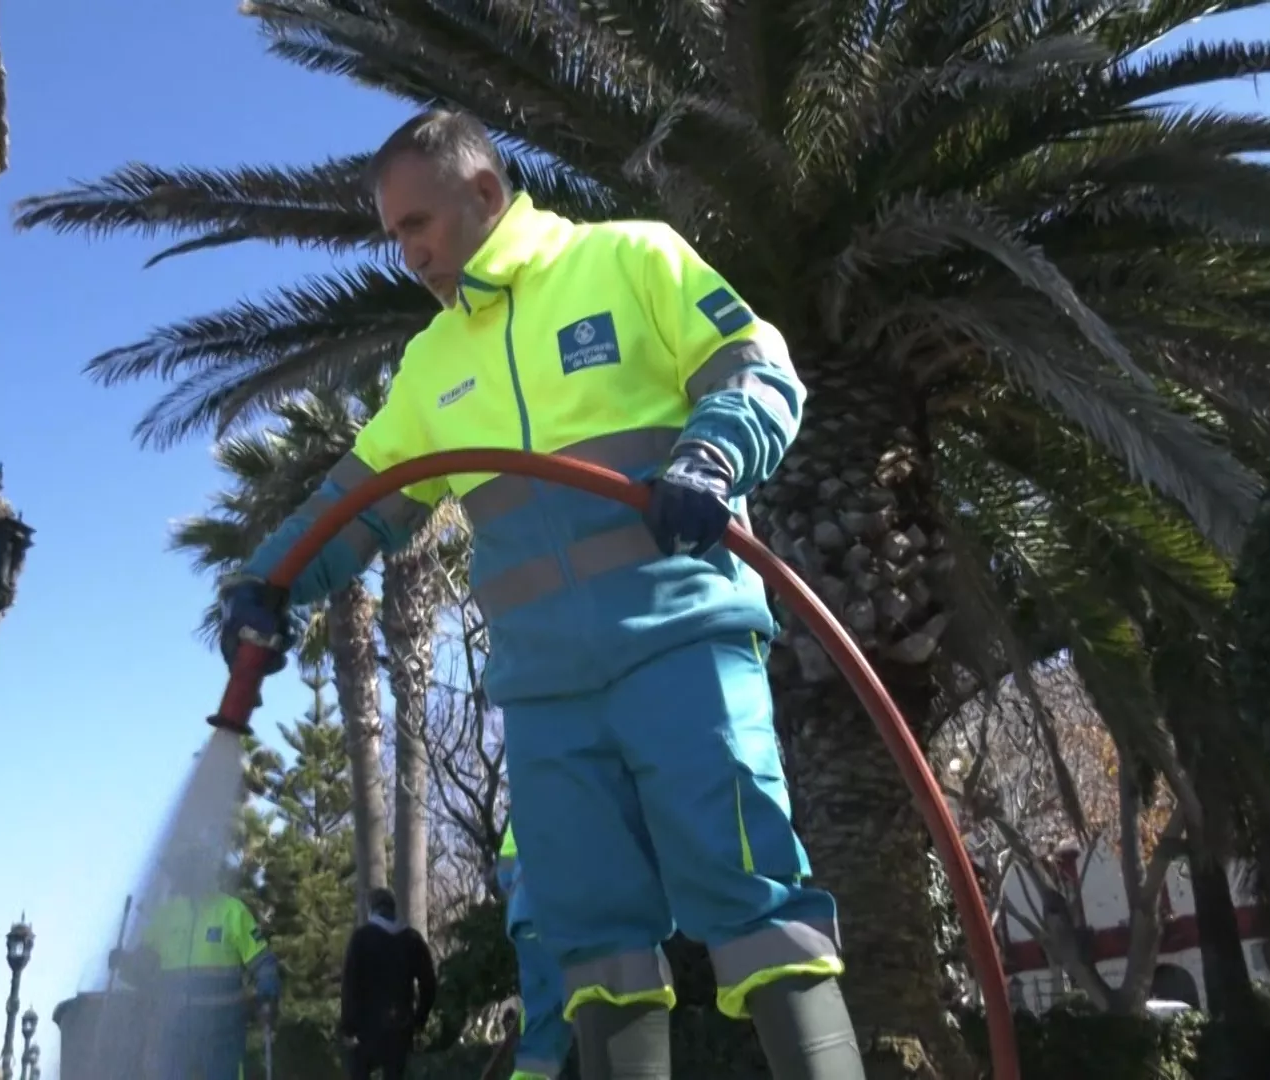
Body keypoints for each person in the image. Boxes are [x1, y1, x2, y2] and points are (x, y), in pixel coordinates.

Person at [218, 108, 864, 1080]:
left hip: (680, 643)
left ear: (483, 193)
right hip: (546, 692)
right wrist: (267, 577)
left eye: (417, 226)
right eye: (394, 235)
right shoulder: (434, 363)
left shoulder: (631, 261)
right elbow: (357, 500)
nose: (408, 255)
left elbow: (756, 367)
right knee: (595, 941)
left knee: (752, 897)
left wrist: (713, 451)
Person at [112, 848, 282, 1080]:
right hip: (175, 1032)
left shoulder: (231, 912)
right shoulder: (167, 916)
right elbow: (143, 970)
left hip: (222, 1031)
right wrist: (124, 962)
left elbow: (263, 963)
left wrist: (268, 994)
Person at [496, 824, 572, 1080]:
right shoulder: (579, 784)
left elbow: (504, 874)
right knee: (601, 1010)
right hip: (563, 916)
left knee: (542, 1031)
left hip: (525, 918)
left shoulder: (524, 795)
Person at [340, 888, 438, 1080]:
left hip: (366, 1029)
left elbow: (350, 985)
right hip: (401, 1026)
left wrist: (348, 1027)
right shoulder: (411, 939)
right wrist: (419, 1019)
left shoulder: (361, 938)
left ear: (371, 909)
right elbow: (429, 984)